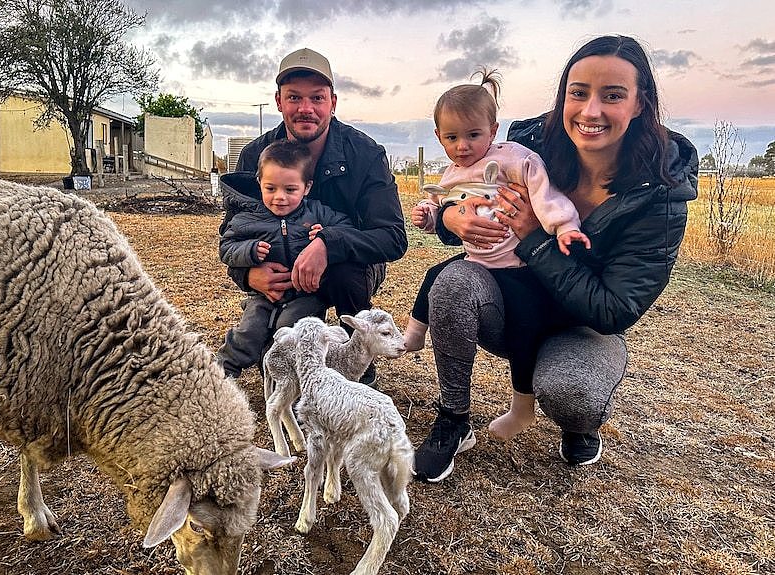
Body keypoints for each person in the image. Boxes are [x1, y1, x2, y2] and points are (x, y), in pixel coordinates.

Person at [412, 35, 698, 482]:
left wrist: (535, 238)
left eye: (613, 95)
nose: (590, 111)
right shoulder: (529, 148)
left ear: (640, 104)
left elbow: (613, 309)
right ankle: (453, 418)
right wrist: (450, 217)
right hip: (511, 301)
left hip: (579, 326)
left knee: (570, 390)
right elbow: (474, 206)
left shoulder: (659, 194)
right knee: (452, 281)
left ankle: (580, 423)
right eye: (578, 92)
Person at [404, 70, 591, 411]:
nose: (462, 146)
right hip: (477, 262)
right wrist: (430, 216)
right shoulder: (451, 173)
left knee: (524, 327)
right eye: (451, 138)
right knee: (434, 277)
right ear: (438, 137)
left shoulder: (513, 159)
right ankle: (414, 334)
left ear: (493, 130)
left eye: (473, 135)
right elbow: (440, 205)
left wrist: (563, 226)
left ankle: (521, 407)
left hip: (516, 265)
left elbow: (544, 192)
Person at [220, 47, 407, 385]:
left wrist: (328, 243)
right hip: (279, 264)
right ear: (278, 101)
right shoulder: (253, 156)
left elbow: (393, 238)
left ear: (333, 102)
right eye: (294, 98)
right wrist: (248, 275)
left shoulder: (365, 154)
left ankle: (358, 366)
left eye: (317, 98)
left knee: (343, 271)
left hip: (348, 267)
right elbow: (233, 231)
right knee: (269, 349)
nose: (306, 109)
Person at [217, 140, 354, 379]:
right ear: (259, 183)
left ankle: (278, 376)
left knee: (291, 331)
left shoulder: (317, 212)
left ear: (307, 187)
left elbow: (346, 227)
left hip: (305, 296)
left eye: (290, 190)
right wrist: (249, 250)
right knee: (248, 333)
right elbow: (226, 247)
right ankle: (222, 373)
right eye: (271, 189)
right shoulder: (248, 217)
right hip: (262, 295)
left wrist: (326, 236)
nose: (280, 197)